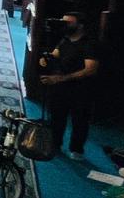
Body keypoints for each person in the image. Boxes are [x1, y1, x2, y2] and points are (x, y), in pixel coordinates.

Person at [39, 11, 101, 160]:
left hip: (81, 89)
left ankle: (76, 149)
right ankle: (55, 144)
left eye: (69, 23)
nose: (65, 26)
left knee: (79, 120)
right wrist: (45, 59)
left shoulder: (89, 43)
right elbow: (55, 54)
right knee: (57, 116)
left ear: (80, 25)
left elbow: (90, 69)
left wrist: (60, 78)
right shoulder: (65, 39)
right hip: (61, 88)